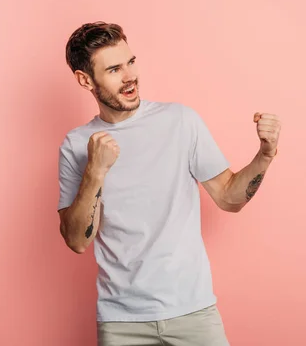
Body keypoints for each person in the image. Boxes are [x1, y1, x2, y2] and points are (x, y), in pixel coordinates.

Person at [57, 21, 281, 346]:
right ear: (85, 79)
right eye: (114, 69)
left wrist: (265, 154)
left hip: (193, 312)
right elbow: (77, 241)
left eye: (131, 62)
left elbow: (230, 198)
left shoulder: (180, 121)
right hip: (122, 322)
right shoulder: (77, 144)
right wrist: (95, 173)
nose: (130, 76)